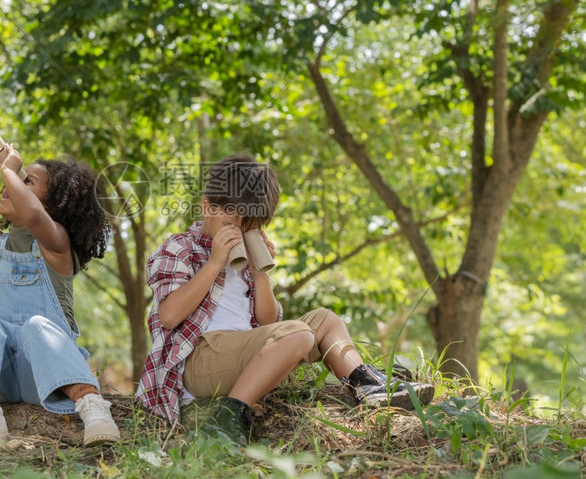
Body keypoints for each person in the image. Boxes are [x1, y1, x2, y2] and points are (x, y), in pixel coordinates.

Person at [136, 153, 434, 446]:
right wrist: (214, 263)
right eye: (230, 221)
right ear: (206, 206)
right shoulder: (179, 247)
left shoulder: (247, 257)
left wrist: (260, 271)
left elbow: (268, 322)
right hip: (198, 360)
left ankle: (366, 383)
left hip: (249, 352)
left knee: (324, 319)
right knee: (300, 334)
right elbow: (169, 316)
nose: (238, 231)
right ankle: (228, 416)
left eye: (248, 226)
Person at [0, 139, 121, 447]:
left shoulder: (56, 243)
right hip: (2, 373)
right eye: (13, 177)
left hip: (51, 376)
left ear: (53, 205)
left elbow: (33, 217)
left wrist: (8, 167)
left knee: (36, 325)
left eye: (26, 181)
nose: (10, 182)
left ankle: (92, 406)